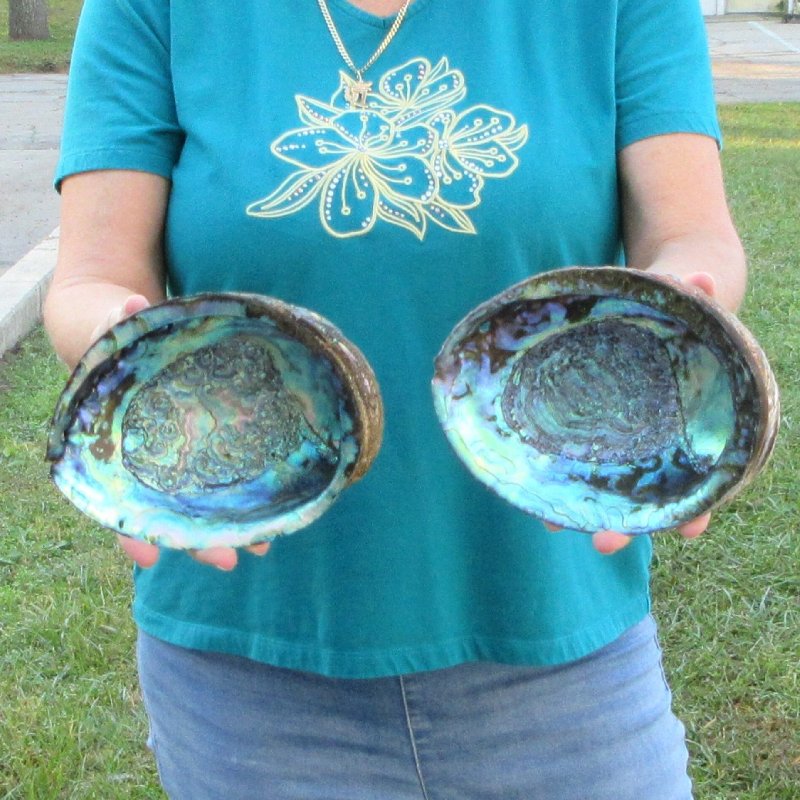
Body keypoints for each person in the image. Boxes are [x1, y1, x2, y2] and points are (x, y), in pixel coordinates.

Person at [44, 0, 746, 797]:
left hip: (555, 637)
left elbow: (693, 236)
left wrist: (688, 313)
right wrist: (123, 348)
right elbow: (91, 276)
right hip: (250, 665)